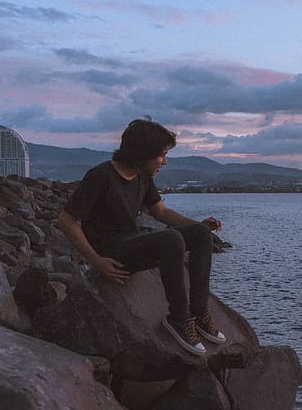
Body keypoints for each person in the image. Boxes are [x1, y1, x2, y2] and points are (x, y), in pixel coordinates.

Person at [57, 118, 226, 356]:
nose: (164, 162)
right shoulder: (100, 176)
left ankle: (199, 312)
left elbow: (161, 212)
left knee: (200, 235)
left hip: (131, 243)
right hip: (112, 253)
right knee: (171, 239)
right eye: (161, 155)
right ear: (142, 153)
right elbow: (66, 220)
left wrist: (199, 225)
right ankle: (179, 319)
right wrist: (97, 262)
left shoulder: (142, 177)